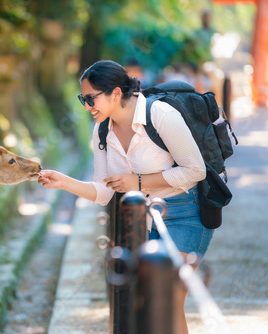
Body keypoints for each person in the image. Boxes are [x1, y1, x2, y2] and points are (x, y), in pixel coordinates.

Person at [38, 60, 213, 334]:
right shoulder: (102, 130)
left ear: (116, 93)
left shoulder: (160, 115)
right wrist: (65, 182)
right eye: (82, 99)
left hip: (184, 213)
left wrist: (139, 181)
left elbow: (195, 170)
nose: (86, 106)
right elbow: (105, 191)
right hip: (142, 220)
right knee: (143, 301)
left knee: (168, 298)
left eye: (90, 98)